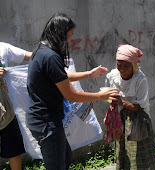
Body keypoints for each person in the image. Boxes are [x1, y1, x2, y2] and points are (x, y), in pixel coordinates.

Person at [26, 13, 119, 170]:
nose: (70, 41)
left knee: (65, 158)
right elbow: (71, 95)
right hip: (46, 123)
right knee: (57, 166)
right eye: (69, 36)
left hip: (42, 120)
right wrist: (99, 96)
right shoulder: (50, 56)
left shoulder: (41, 50)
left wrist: (89, 74)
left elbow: (61, 77)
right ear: (60, 34)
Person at [106, 44, 155, 170]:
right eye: (119, 64)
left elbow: (139, 107)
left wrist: (121, 102)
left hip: (138, 119)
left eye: (126, 66)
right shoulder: (113, 76)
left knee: (137, 152)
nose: (122, 69)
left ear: (134, 66)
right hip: (120, 118)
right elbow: (110, 95)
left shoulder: (140, 79)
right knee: (121, 149)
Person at [0, 42, 32, 170]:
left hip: (6, 108)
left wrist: (52, 55)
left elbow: (30, 56)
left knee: (13, 148)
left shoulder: (3, 47)